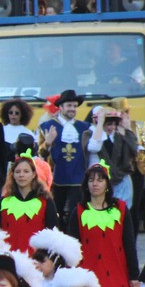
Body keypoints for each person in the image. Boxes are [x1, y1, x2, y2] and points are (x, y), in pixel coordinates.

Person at [0, 148, 59, 255]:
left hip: (35, 262)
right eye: (17, 171)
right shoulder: (4, 201)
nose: (21, 175)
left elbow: (53, 234)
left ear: (34, 174)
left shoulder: (45, 202)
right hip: (8, 259)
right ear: (13, 175)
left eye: (26, 171)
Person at [41, 90, 92, 223]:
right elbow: (39, 156)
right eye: (69, 106)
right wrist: (47, 143)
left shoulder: (85, 127)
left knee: (75, 216)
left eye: (75, 106)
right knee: (55, 216)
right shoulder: (46, 127)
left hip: (78, 179)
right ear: (61, 107)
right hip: (55, 179)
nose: (72, 109)